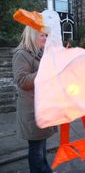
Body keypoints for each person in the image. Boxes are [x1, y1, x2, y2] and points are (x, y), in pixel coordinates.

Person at [12, 26, 57, 173]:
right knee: (36, 149)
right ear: (32, 35)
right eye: (42, 35)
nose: (45, 38)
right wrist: (45, 70)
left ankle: (44, 169)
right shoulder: (22, 54)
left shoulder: (40, 53)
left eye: (46, 35)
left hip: (41, 107)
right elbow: (22, 81)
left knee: (41, 147)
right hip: (32, 110)